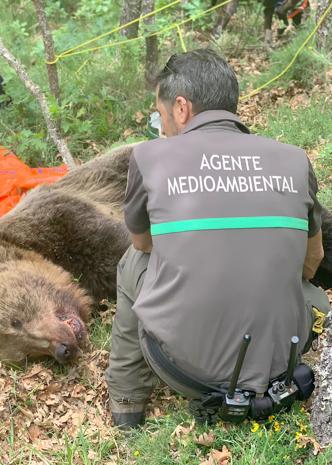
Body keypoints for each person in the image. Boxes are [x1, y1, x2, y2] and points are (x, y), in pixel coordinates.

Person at [105, 49, 331, 429]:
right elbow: (312, 261)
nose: (160, 125)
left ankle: (127, 403)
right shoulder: (294, 159)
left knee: (132, 263)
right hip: (283, 362)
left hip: (186, 372)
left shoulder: (149, 158)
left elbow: (143, 244)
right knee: (305, 288)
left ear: (181, 108)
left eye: (159, 115)